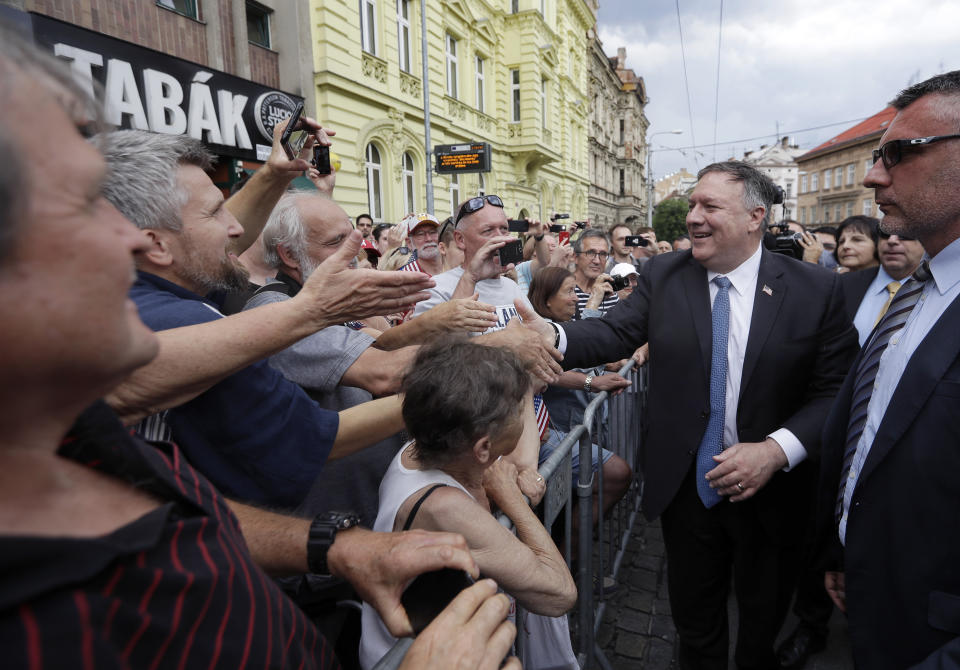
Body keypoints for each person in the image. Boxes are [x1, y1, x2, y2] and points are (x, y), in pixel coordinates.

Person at [0, 27, 515, 670]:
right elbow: (178, 267)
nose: (131, 242)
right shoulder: (39, 614)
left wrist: (336, 547)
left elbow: (184, 521)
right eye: (81, 206)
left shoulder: (77, 433)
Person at [522, 161, 858, 669]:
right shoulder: (664, 275)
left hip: (773, 494)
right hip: (688, 489)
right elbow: (613, 334)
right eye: (693, 204)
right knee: (696, 627)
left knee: (760, 626)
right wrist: (550, 336)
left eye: (710, 206)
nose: (693, 217)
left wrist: (774, 450)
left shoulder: (816, 290)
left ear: (755, 217)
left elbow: (835, 392)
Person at [99, 129, 432, 509]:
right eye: (214, 211)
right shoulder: (181, 319)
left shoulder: (140, 286)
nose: (237, 229)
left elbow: (199, 241)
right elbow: (314, 436)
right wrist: (454, 383)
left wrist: (275, 175)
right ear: (154, 244)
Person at [819, 70, 960, 669]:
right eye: (876, 156)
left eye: (899, 154)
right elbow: (874, 434)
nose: (874, 175)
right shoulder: (917, 288)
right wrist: (849, 550)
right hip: (875, 593)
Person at [359, 339, 577, 669]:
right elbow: (559, 592)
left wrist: (521, 470)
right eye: (520, 410)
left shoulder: (428, 445)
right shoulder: (443, 508)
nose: (525, 413)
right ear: (483, 448)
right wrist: (510, 498)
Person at [528, 267, 633, 520]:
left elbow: (588, 348)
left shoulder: (566, 326)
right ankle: (567, 553)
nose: (576, 297)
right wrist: (591, 382)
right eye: (568, 292)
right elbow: (553, 369)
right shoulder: (538, 334)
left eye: (575, 290)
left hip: (582, 426)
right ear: (546, 301)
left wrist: (607, 365)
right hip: (558, 427)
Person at [840, 229, 926, 345]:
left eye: (904, 234)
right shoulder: (843, 284)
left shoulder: (939, 292)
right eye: (885, 233)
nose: (891, 240)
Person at [572, 229, 618, 318]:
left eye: (603, 254)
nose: (597, 261)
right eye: (590, 253)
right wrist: (595, 299)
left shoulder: (610, 292)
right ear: (575, 257)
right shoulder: (564, 291)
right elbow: (572, 331)